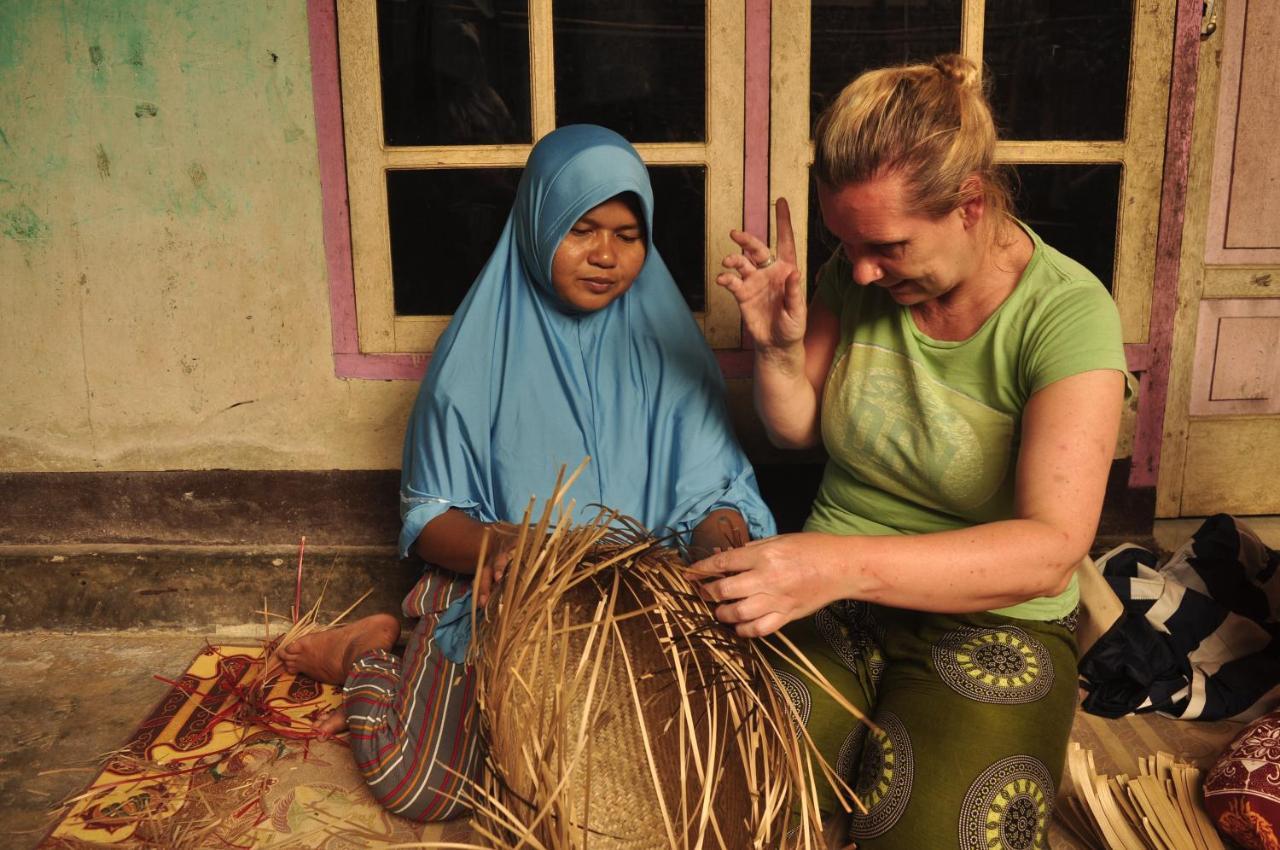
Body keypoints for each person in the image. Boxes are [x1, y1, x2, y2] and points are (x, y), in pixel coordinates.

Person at [690, 55, 1128, 848]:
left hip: (993, 616)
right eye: (846, 244)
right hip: (832, 591)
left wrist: (832, 564)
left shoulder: (1067, 315)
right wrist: (780, 351)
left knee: (930, 834)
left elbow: (1050, 552)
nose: (860, 270)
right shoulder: (857, 273)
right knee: (731, 790)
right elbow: (796, 430)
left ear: (969, 205)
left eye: (887, 246)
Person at [280, 124, 775, 823]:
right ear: (538, 223)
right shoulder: (474, 358)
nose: (605, 255)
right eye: (581, 228)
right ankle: (366, 648)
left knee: (684, 787)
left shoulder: (672, 351)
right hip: (507, 604)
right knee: (421, 786)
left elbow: (713, 495)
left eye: (627, 234)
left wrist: (722, 543)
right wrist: (512, 547)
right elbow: (430, 520)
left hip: (643, 613)